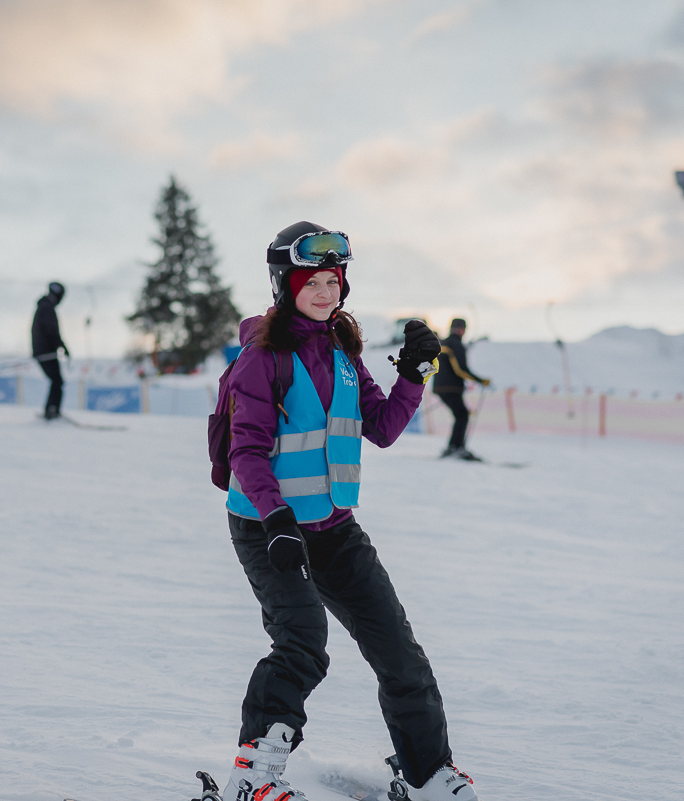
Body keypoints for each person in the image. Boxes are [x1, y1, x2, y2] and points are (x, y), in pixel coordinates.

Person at [218, 222, 479, 801]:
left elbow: (381, 428)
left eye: (333, 281)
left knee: (398, 649)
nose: (324, 291)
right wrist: (276, 519)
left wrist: (414, 374)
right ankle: (254, 775)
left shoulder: (340, 350)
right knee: (302, 640)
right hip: (269, 526)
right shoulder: (262, 358)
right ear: (286, 285)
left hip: (335, 527)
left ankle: (429, 773)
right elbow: (246, 450)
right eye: (311, 281)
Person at [432, 318, 491, 460]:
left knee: (460, 415)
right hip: (452, 387)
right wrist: (480, 380)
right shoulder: (456, 344)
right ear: (462, 330)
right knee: (462, 415)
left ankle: (454, 446)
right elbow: (461, 369)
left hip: (439, 386)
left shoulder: (443, 343)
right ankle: (456, 447)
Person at [31, 282, 69, 420]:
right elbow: (51, 331)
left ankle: (51, 409)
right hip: (46, 353)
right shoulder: (47, 308)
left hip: (43, 351)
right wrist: (62, 346)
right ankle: (52, 410)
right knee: (57, 381)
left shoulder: (44, 306)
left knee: (56, 380)